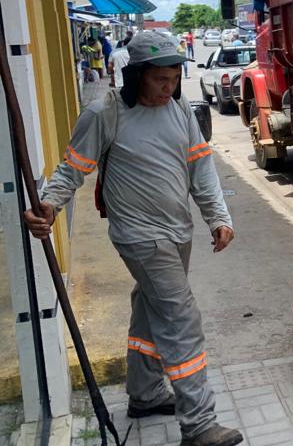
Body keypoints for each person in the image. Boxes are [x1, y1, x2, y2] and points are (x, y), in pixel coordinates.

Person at [23, 31, 243, 446]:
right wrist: (49, 204)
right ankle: (198, 424)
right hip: (140, 238)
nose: (169, 87)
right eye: (160, 79)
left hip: (179, 232)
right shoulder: (104, 114)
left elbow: (201, 168)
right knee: (181, 320)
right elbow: (72, 170)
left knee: (150, 308)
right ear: (136, 76)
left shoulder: (179, 109)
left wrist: (218, 216)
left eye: (175, 78)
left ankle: (144, 395)